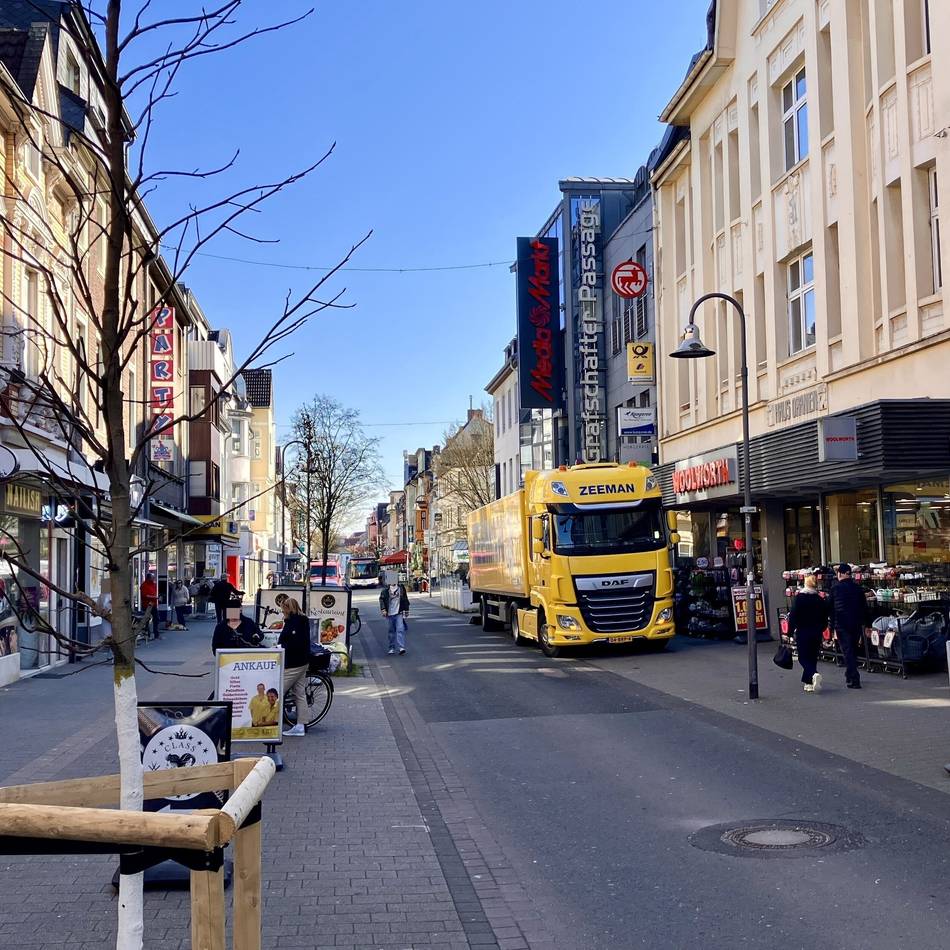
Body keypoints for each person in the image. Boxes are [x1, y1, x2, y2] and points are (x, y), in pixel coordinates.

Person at [787, 574, 831, 693]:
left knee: (802, 657)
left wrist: (789, 632)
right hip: (816, 631)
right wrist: (822, 628)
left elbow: (793, 616)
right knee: (812, 656)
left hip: (803, 631)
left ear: (805, 584)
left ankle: (813, 674)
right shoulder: (819, 599)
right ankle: (809, 682)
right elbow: (824, 616)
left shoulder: (800, 598)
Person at [829, 563, 870, 689]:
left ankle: (854, 679)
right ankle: (849, 674)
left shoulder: (835, 589)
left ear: (839, 574)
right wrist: (867, 624)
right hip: (856, 623)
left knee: (847, 651)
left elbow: (830, 609)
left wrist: (831, 626)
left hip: (841, 624)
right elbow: (865, 608)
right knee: (852, 649)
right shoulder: (858, 588)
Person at [279, 597, 311, 737]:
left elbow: (294, 642)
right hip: (303, 661)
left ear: (288, 608)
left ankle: (269, 724)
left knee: (278, 691)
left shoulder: (294, 622)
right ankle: (301, 725)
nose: (282, 611)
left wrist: (282, 646)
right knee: (300, 693)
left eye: (283, 608)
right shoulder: (301, 619)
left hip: (294, 663)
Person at [379, 576, 410, 656]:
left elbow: (405, 599)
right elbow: (381, 599)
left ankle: (401, 647)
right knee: (391, 631)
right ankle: (391, 647)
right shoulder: (385, 590)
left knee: (400, 629)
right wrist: (383, 609)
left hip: (399, 612)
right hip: (389, 613)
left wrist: (406, 610)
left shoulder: (401, 588)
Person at [139, 571, 160, 640]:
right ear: (148, 578)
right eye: (152, 578)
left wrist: (157, 598)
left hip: (153, 604)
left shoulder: (154, 585)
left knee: (156, 619)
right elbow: (145, 595)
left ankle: (156, 634)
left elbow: (155, 593)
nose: (154, 579)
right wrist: (154, 597)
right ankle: (147, 634)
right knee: (146, 620)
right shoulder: (144, 585)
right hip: (147, 605)